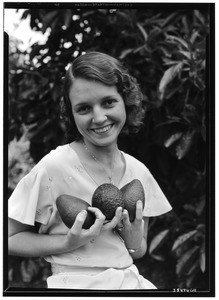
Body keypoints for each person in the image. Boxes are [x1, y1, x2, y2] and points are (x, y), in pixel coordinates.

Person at [8, 52, 172, 290]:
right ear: (72, 115)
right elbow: (8, 238)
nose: (98, 117)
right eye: (84, 108)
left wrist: (134, 237)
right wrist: (67, 242)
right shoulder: (54, 166)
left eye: (108, 102)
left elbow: (137, 251)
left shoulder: (138, 173)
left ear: (125, 101)